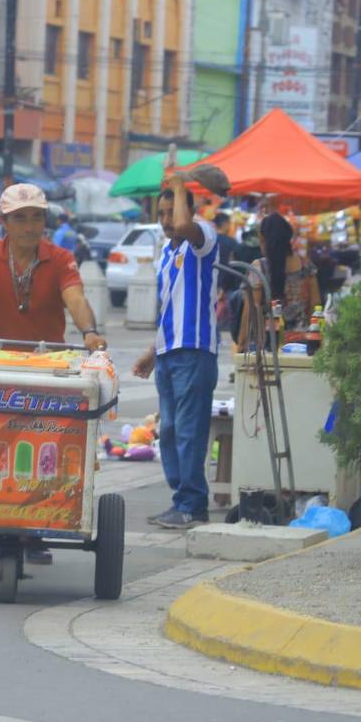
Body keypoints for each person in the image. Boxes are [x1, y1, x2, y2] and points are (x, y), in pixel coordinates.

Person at [0, 183, 106, 564]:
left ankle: (35, 523)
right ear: (4, 222)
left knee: (44, 444)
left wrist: (89, 332)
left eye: (36, 217)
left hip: (45, 366)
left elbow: (75, 299)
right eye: (20, 218)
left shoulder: (61, 257)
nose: (30, 226)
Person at [132, 171, 220, 530]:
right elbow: (170, 308)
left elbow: (186, 226)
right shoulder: (168, 254)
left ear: (189, 211)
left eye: (173, 212)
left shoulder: (203, 237)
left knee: (187, 431)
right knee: (168, 431)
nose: (168, 221)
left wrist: (181, 186)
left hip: (195, 351)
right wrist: (153, 353)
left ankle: (192, 504)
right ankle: (181, 499)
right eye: (162, 215)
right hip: (170, 354)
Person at [250, 203, 319, 332]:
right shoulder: (306, 265)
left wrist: (243, 343)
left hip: (270, 342)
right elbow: (315, 303)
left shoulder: (259, 267)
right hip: (301, 341)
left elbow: (253, 309)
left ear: (264, 239)